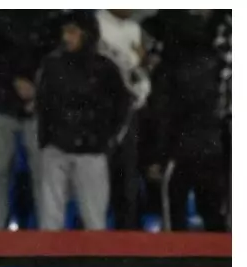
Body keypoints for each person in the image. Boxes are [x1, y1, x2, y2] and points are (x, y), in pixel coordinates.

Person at [36, 11, 130, 231]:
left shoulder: (106, 69)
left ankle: (94, 257)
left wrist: (105, 139)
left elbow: (121, 107)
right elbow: (43, 103)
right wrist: (47, 139)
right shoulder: (52, 65)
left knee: (94, 220)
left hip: (91, 151)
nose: (66, 37)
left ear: (87, 34)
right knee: (50, 220)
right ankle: (48, 255)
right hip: (56, 149)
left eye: (72, 32)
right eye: (64, 32)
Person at [0, 10, 63, 230]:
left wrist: (39, 91)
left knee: (42, 175)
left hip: (38, 109)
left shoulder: (50, 15)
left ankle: (47, 238)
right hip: (1, 106)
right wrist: (12, 79)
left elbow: (58, 58)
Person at [145, 10, 229, 232]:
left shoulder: (168, 69)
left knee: (174, 217)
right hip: (212, 147)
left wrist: (157, 156)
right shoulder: (216, 63)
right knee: (214, 215)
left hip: (179, 150)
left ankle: (176, 255)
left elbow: (162, 115)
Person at [97, 9, 152, 230]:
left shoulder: (134, 29)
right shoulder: (95, 24)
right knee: (98, 183)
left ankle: (126, 239)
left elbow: (139, 72)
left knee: (128, 181)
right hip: (101, 115)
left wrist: (142, 67)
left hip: (129, 114)